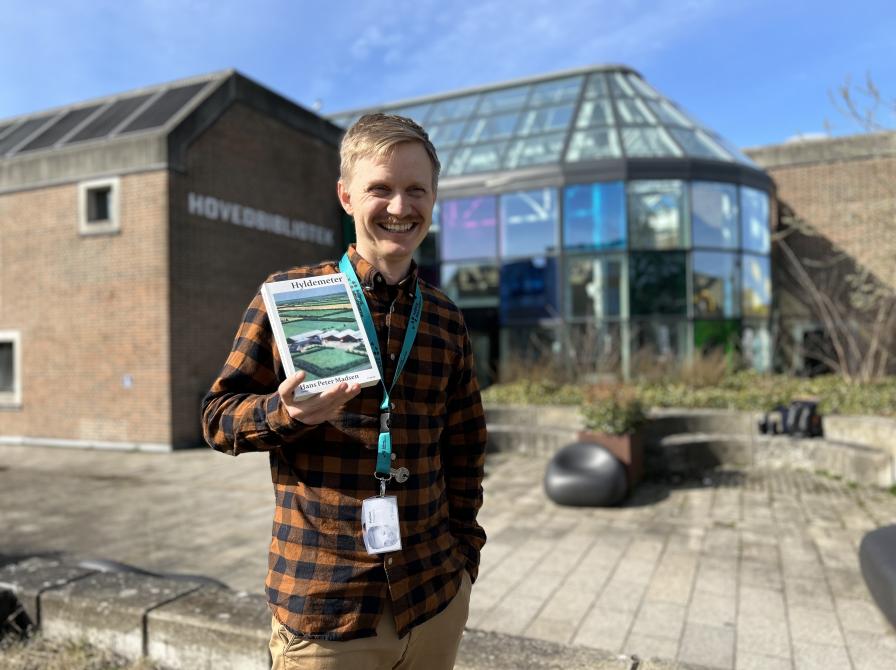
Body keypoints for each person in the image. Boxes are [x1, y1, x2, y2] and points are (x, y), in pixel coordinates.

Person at [201, 112, 487, 670]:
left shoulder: (446, 319)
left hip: (432, 598)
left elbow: (466, 449)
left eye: (416, 190)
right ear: (346, 197)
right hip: (327, 607)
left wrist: (464, 560)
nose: (400, 207)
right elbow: (217, 418)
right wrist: (283, 413)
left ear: (433, 199)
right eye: (380, 188)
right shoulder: (291, 297)